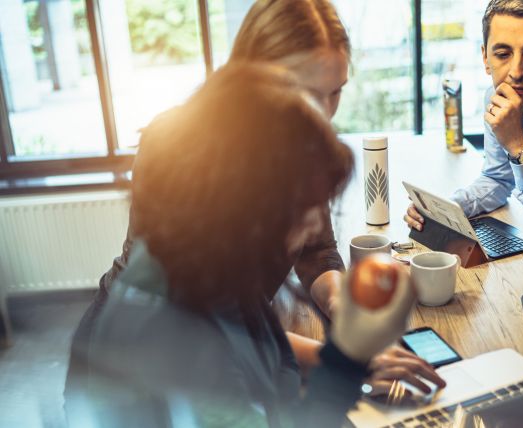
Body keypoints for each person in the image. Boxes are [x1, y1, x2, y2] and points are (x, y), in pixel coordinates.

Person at [71, 0, 444, 400]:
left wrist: (347, 317)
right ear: (254, 76)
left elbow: (318, 255)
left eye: (335, 92)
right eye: (305, 92)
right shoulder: (176, 148)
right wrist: (339, 359)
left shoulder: (300, 143)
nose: (321, 114)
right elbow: (203, 322)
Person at [405, 0, 523, 246]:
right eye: (503, 54)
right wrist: (447, 209)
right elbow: (498, 180)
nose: (517, 72)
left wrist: (518, 146)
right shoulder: (495, 98)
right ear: (485, 57)